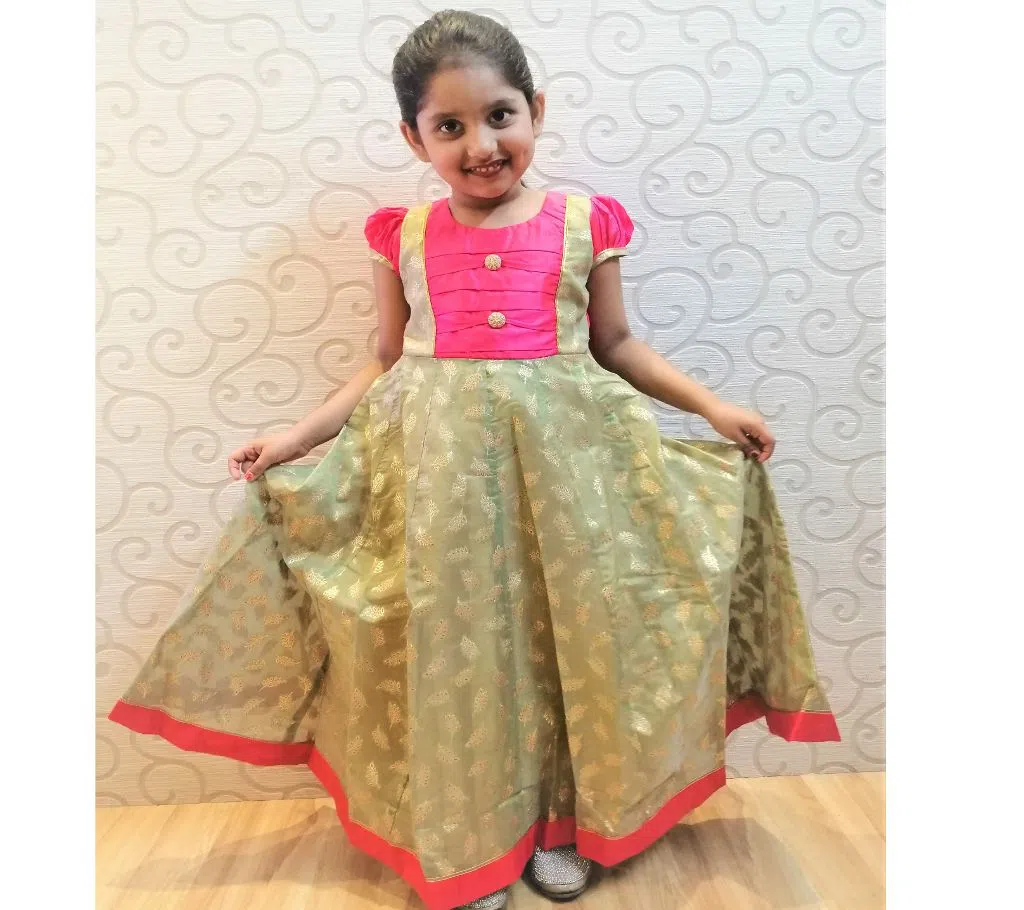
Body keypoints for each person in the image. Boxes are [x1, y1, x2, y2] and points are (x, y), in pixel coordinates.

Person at [108, 10, 840, 910]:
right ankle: (469, 841)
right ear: (413, 137)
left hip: (572, 482)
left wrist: (712, 407)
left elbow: (615, 343)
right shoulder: (403, 236)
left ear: (535, 109)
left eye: (500, 115)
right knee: (460, 657)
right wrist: (296, 438)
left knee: (573, 647)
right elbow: (385, 361)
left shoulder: (585, 222)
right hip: (441, 489)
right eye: (449, 126)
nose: (482, 145)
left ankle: (566, 824)